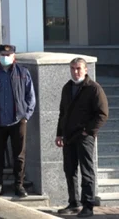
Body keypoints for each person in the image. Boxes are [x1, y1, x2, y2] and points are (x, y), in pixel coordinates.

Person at [0, 44, 36, 197]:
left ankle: (19, 185)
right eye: (2, 54)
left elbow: (31, 96)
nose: (5, 57)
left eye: (8, 54)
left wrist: (26, 115)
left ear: (13, 56)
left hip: (17, 121)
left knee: (19, 155)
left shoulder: (22, 73)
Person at [55, 57, 108, 218]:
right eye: (72, 68)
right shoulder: (67, 87)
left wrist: (88, 131)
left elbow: (103, 114)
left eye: (78, 68)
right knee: (69, 170)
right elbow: (62, 113)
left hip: (85, 137)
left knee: (87, 171)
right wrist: (59, 133)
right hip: (68, 136)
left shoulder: (93, 88)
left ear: (86, 70)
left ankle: (88, 205)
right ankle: (74, 202)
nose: (75, 71)